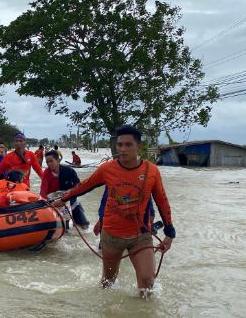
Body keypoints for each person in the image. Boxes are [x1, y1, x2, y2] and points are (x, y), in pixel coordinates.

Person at [52, 125, 175, 294]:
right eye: (119, 145)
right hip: (111, 235)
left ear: (139, 147)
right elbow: (85, 186)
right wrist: (63, 199)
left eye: (128, 145)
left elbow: (162, 200)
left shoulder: (151, 170)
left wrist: (170, 232)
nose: (122, 149)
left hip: (141, 234)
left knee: (147, 283)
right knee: (108, 281)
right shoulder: (107, 169)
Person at [40, 150, 90, 230]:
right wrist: (43, 202)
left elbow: (77, 181)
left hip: (70, 197)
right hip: (54, 200)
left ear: (58, 160)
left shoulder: (68, 170)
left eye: (51, 161)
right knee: (63, 228)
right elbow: (43, 189)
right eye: (47, 162)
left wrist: (71, 189)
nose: (49, 164)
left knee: (84, 225)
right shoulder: (46, 173)